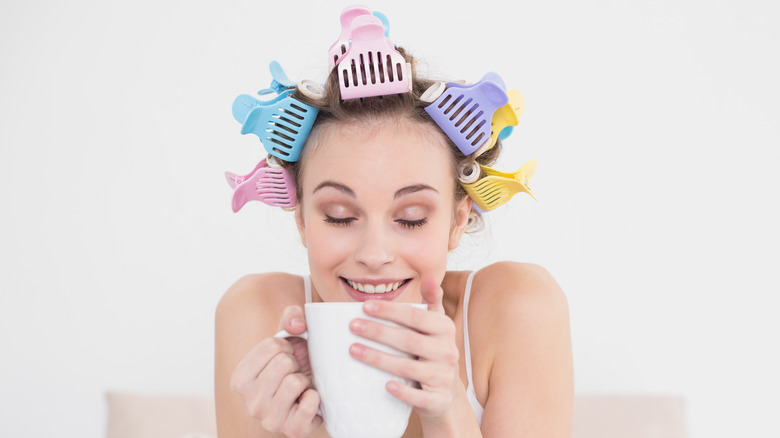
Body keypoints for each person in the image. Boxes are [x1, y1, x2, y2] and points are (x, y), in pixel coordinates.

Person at [215, 7, 573, 438]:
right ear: (303, 222)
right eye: (339, 216)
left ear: (458, 222)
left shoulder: (518, 309)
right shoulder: (256, 317)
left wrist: (448, 411)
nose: (374, 255)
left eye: (411, 219)